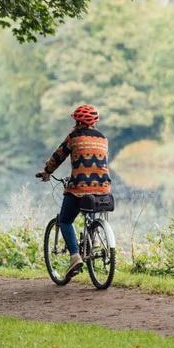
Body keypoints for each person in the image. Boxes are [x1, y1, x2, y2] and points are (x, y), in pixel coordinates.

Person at [37, 104, 110, 279]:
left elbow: (58, 157)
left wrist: (47, 172)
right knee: (90, 205)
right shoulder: (103, 139)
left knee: (65, 220)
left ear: (77, 121)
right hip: (103, 189)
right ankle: (94, 236)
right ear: (94, 122)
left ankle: (74, 256)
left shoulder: (73, 138)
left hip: (79, 188)